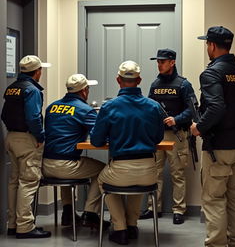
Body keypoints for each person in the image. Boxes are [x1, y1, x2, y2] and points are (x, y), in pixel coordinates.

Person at [191, 26, 235, 247]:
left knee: (214, 199)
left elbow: (216, 107)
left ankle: (217, 245)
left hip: (218, 147)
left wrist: (198, 127)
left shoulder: (211, 72)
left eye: (207, 44)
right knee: (234, 196)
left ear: (211, 45)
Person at [90, 60, 165, 245]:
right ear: (139, 80)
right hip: (149, 170)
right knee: (137, 182)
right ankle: (132, 224)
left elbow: (96, 141)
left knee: (103, 181)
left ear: (118, 80)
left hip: (120, 167)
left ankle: (120, 227)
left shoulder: (109, 107)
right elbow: (157, 138)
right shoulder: (154, 106)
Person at [42, 74, 110, 230]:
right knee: (104, 170)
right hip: (65, 166)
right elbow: (98, 138)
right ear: (84, 91)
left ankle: (68, 213)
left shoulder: (52, 107)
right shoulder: (85, 110)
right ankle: (90, 214)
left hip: (45, 165)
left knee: (66, 169)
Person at [139, 49, 196, 224]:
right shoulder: (155, 84)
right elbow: (148, 107)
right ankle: (152, 208)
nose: (159, 64)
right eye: (158, 61)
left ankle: (179, 210)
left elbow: (193, 109)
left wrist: (176, 119)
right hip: (157, 136)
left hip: (177, 135)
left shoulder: (183, 84)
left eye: (162, 61)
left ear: (172, 62)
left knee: (177, 174)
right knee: (154, 173)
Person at [1, 55, 51, 238]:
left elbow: (4, 114)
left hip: (11, 137)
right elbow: (33, 117)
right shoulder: (32, 90)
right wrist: (40, 136)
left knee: (14, 182)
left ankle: (12, 224)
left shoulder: (12, 88)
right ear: (38, 71)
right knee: (28, 182)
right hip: (27, 139)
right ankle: (25, 226)